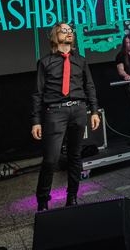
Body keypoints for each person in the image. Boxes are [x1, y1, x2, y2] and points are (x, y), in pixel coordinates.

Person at [30, 23, 100, 212]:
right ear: (55, 36)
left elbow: (89, 86)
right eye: (64, 30)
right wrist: (36, 121)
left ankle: (72, 197)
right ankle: (43, 202)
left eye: (71, 31)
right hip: (55, 112)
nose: (69, 33)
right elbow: (37, 93)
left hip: (78, 110)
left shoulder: (81, 61)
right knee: (50, 159)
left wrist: (94, 111)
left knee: (75, 156)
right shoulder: (45, 62)